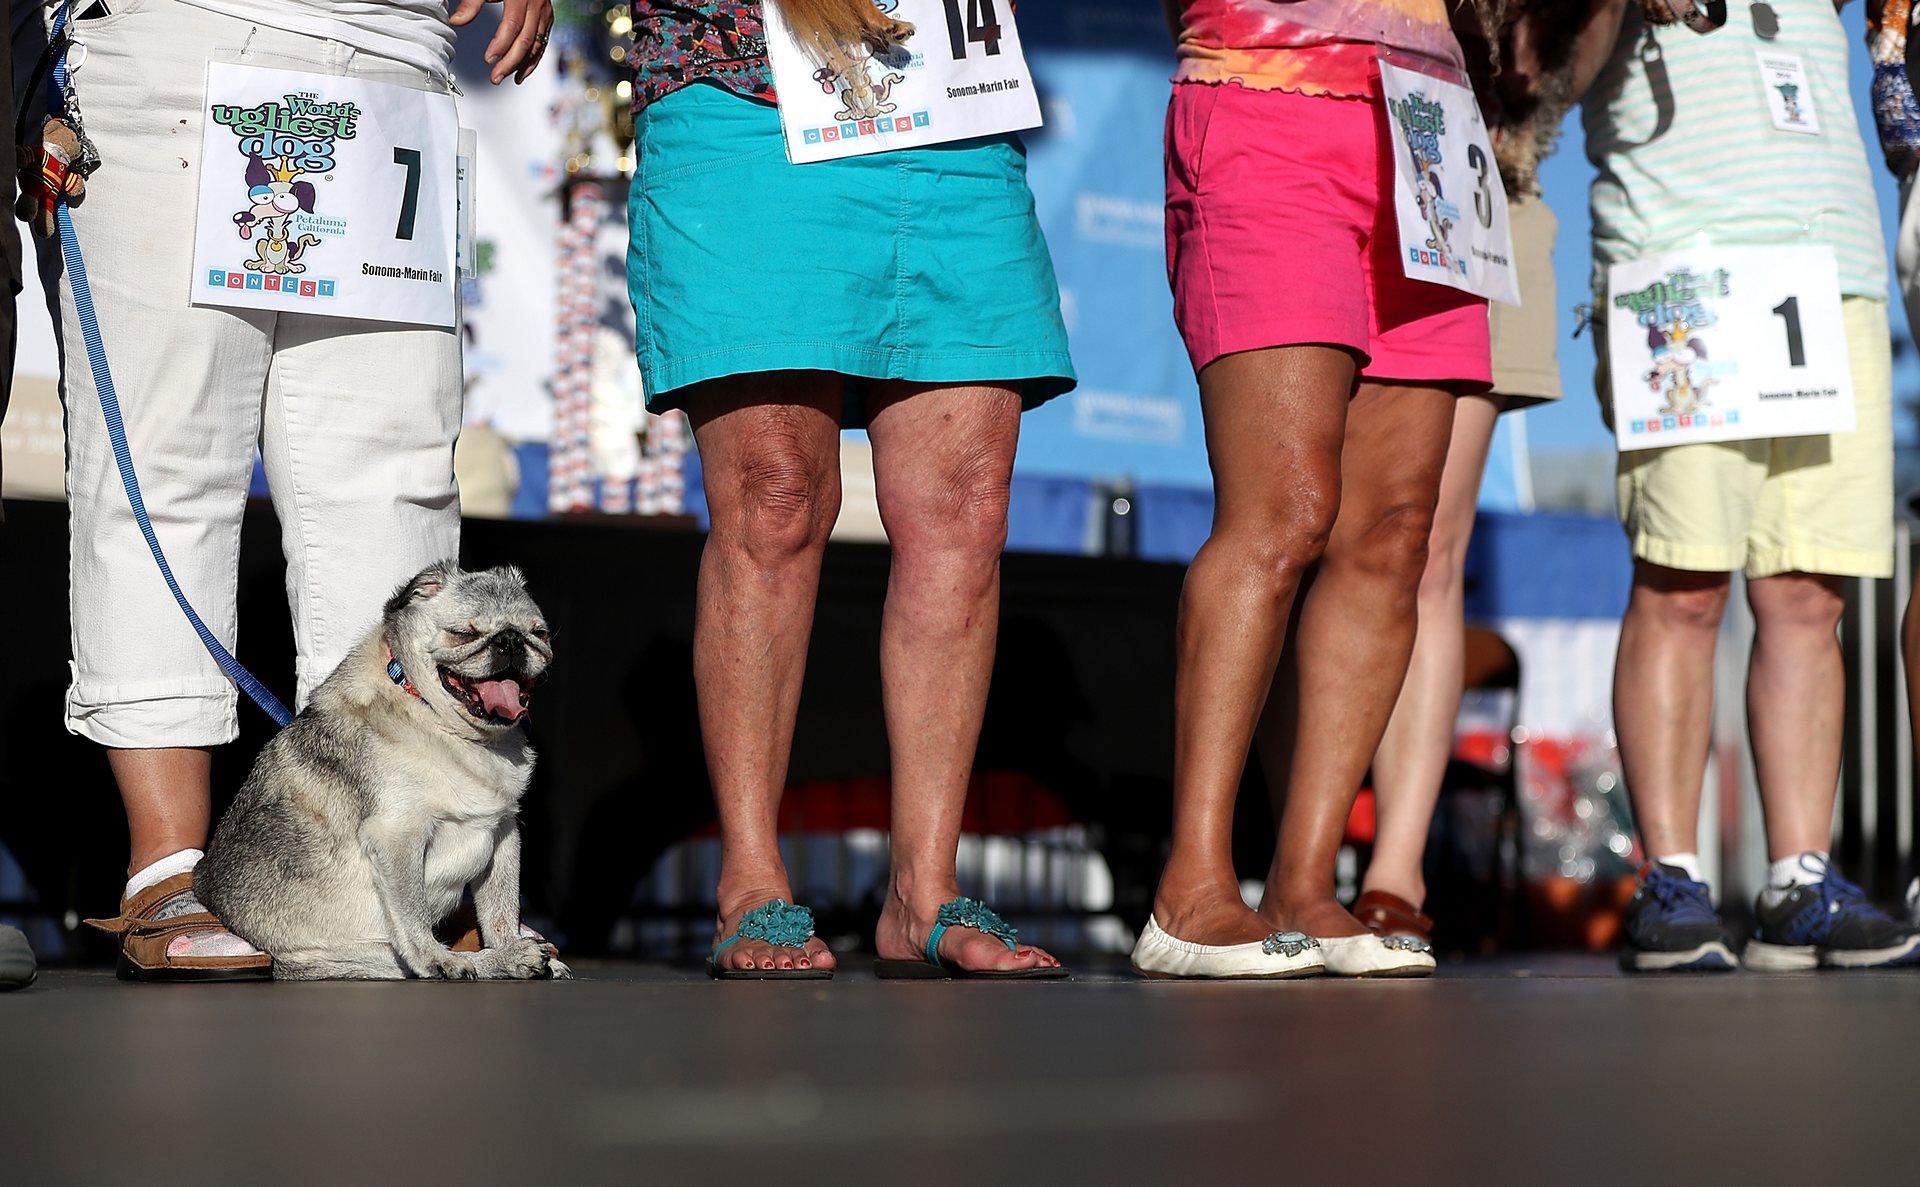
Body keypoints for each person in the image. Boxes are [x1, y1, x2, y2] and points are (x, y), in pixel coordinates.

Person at [58, 0, 552, 982]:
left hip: (397, 51)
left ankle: (419, 873)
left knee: (398, 479)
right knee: (167, 463)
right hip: (191, 32)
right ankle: (169, 871)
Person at [630, 0, 1075, 978]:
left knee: (966, 511)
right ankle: (752, 880)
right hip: (747, 84)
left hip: (947, 98)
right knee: (776, 498)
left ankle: (924, 888)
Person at [1132, 0, 1492, 980]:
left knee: (1395, 531)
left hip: (1431, 122)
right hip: (1269, 92)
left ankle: (1303, 882)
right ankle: (1191, 887)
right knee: (1283, 509)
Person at [1593, 0, 1920, 972]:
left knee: (1809, 594)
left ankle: (1797, 879)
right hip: (1682, 257)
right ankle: (1672, 875)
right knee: (1682, 582)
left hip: (1835, 267)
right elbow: (1547, 65)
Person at [1347, 0, 1628, 947]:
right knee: (1309, 537)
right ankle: (1288, 864)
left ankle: (1393, 871)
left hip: (1482, 177)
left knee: (1424, 545)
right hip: (1342, 138)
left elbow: (1555, 76)